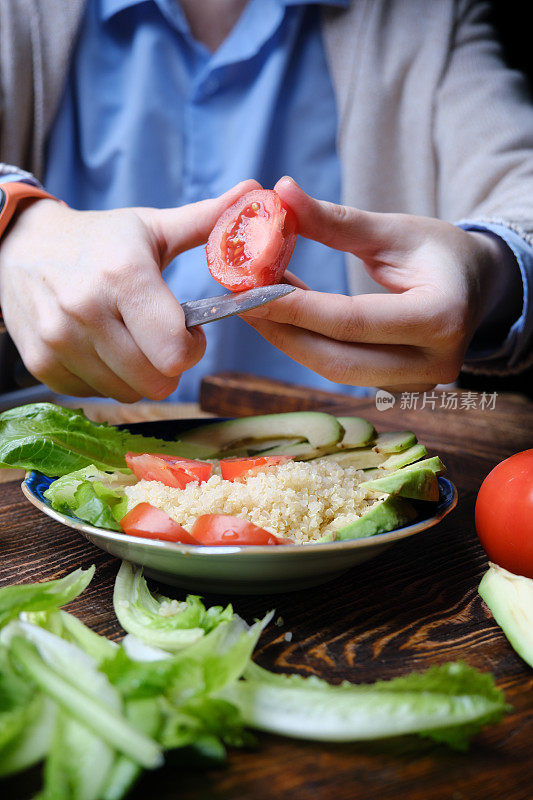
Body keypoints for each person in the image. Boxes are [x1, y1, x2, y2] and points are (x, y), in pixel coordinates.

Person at [0, 0, 531, 403]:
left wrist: (486, 268)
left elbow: (521, 196)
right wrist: (17, 222)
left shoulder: (426, 17)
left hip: (340, 489)